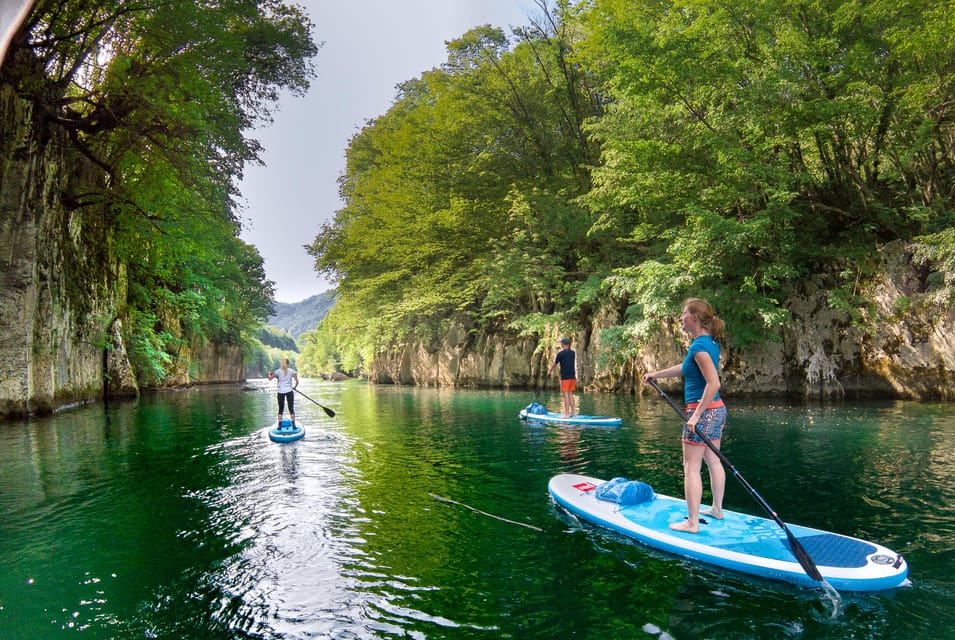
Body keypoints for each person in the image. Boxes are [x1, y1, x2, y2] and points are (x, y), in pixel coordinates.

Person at [642, 298, 726, 534]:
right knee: (713, 460)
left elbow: (713, 383)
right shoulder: (708, 343)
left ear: (695, 318)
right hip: (717, 410)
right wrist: (655, 375)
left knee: (690, 467)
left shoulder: (699, 347)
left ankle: (692, 523)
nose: (681, 317)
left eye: (684, 313)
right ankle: (717, 509)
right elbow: (685, 367)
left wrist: (696, 415)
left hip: (703, 412)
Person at [547, 337, 577, 417]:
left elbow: (555, 364)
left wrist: (549, 372)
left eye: (561, 343)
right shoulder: (573, 353)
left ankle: (566, 413)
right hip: (572, 376)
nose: (560, 344)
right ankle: (573, 413)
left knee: (566, 395)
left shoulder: (560, 354)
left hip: (565, 377)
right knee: (570, 394)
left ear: (563, 344)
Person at [268, 358, 299, 428]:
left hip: (280, 392)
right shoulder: (292, 371)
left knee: (280, 409)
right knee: (291, 408)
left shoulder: (278, 371)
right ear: (288, 364)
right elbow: (297, 382)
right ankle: (293, 425)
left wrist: (269, 374)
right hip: (289, 391)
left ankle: (279, 425)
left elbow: (270, 379)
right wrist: (294, 387)